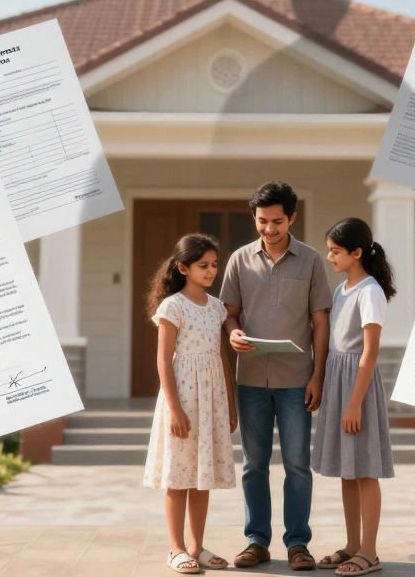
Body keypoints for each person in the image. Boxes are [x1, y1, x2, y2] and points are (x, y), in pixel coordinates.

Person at [222, 181, 332, 572]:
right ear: (254, 218)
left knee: (298, 464)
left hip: (296, 380)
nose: (269, 229)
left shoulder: (313, 260)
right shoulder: (238, 260)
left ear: (293, 218)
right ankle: (257, 541)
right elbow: (230, 313)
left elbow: (321, 321)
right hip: (250, 378)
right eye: (262, 221)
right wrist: (233, 331)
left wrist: (318, 375)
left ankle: (298, 543)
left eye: (277, 221)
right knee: (254, 464)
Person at [143, 233, 239, 574]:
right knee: (179, 474)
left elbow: (222, 358)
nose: (211, 271)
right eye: (203, 266)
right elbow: (163, 360)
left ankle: (197, 546)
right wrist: (175, 408)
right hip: (182, 398)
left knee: (202, 475)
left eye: (214, 265)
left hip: (211, 400)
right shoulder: (172, 306)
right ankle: (176, 548)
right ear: (183, 268)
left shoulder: (216, 308)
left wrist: (230, 403)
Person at [313, 218, 396, 575]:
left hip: (357, 388)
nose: (329, 257)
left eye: (335, 251)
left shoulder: (370, 292)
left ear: (356, 253)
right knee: (348, 471)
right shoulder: (341, 290)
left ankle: (370, 552)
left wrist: (354, 403)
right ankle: (351, 545)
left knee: (364, 471)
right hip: (337, 381)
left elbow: (370, 353)